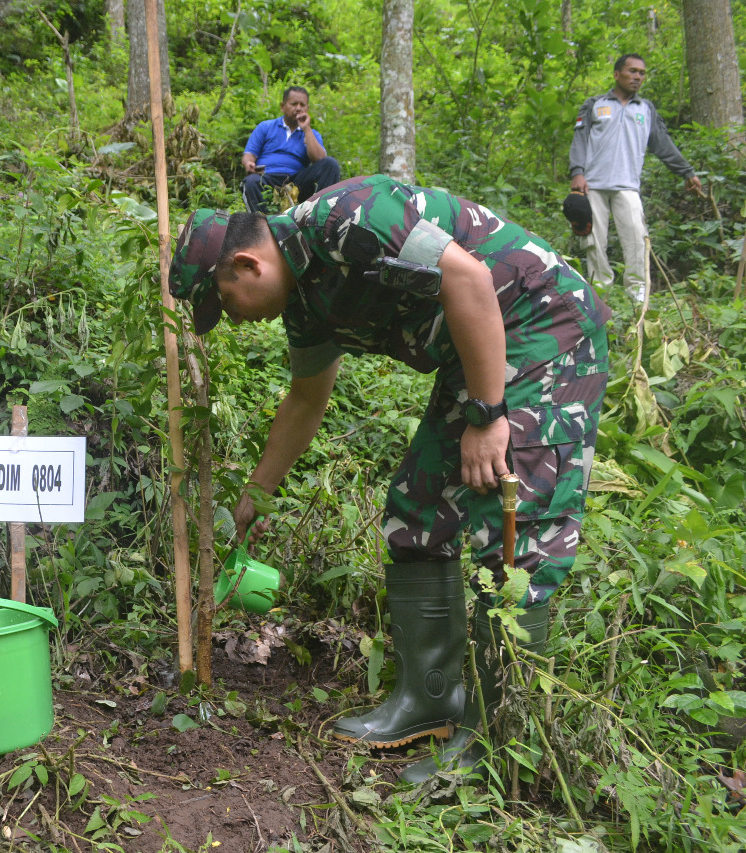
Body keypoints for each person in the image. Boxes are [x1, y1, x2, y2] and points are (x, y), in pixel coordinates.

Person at [169, 175, 609, 781]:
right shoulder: (304, 302)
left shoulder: (348, 218)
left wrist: (486, 415)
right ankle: (431, 700)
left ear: (246, 264)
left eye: (223, 304)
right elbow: (305, 398)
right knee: (417, 510)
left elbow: (469, 278)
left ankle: (499, 735)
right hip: (474, 352)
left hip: (543, 331)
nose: (234, 321)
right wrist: (257, 492)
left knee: (515, 531)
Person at [569, 53, 703, 303]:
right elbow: (580, 140)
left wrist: (687, 172)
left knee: (637, 240)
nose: (638, 77)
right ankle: (600, 295)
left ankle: (637, 297)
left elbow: (663, 146)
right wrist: (577, 172)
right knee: (593, 242)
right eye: (632, 71)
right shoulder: (594, 104)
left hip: (627, 187)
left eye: (642, 73)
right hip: (593, 185)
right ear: (617, 74)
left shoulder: (646, 109)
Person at [240, 86, 341, 214]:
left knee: (331, 164)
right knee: (251, 182)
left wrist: (306, 129)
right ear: (283, 106)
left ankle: (321, 216)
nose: (298, 108)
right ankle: (264, 225)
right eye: (294, 104)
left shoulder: (312, 134)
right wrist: (249, 164)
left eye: (302, 105)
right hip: (267, 177)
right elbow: (249, 155)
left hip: (297, 182)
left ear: (307, 109)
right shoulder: (265, 127)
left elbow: (321, 160)